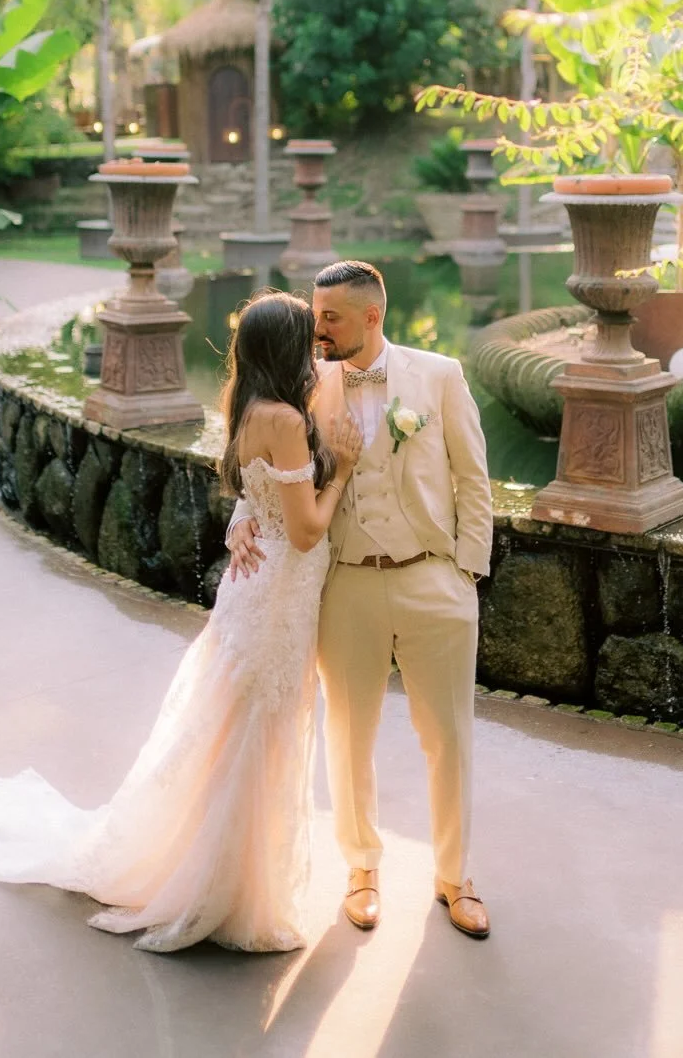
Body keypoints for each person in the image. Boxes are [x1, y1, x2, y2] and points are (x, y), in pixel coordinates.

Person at [0, 290, 363, 953]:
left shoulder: (251, 406)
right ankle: (230, 887)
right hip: (278, 594)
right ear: (286, 351)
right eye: (307, 339)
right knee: (259, 729)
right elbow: (306, 530)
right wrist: (346, 469)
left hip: (260, 591)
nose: (316, 351)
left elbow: (255, 496)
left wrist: (244, 524)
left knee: (236, 726)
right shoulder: (284, 418)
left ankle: (224, 868)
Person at [228, 260, 494, 939]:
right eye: (314, 315)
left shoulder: (439, 376)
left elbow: (474, 481)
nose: (316, 328)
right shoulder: (302, 387)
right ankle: (363, 870)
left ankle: (455, 877)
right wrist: (241, 521)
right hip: (344, 581)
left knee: (449, 739)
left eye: (330, 318)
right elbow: (256, 462)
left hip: (433, 579)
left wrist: (467, 573)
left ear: (372, 317)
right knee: (349, 735)